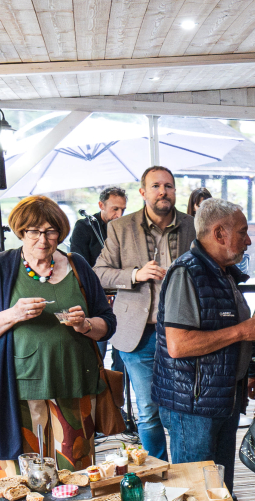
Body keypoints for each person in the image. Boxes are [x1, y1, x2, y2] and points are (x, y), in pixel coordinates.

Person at [0, 195, 117, 494]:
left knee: (76, 478)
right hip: (18, 395)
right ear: (20, 231)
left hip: (75, 389)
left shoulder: (78, 265)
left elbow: (107, 324)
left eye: (51, 231)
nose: (43, 240)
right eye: (34, 231)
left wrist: (85, 324)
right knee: (23, 482)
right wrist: (13, 314)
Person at [155, 198, 255, 494]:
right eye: (243, 231)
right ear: (219, 234)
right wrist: (242, 332)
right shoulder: (187, 273)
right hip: (194, 406)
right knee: (196, 493)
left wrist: (247, 371)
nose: (248, 240)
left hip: (221, 398)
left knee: (218, 490)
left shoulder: (222, 272)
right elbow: (178, 345)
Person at [92, 167, 194, 461]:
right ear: (143, 192)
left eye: (169, 186)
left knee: (181, 410)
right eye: (156, 186)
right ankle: (158, 472)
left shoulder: (192, 226)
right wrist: (135, 274)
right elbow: (99, 273)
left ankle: (185, 470)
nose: (163, 192)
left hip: (183, 332)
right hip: (139, 334)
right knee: (149, 411)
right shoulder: (120, 227)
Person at [68, 185, 127, 267]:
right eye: (115, 209)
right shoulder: (84, 227)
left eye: (123, 210)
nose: (119, 215)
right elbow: (79, 265)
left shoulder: (124, 227)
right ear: (101, 205)